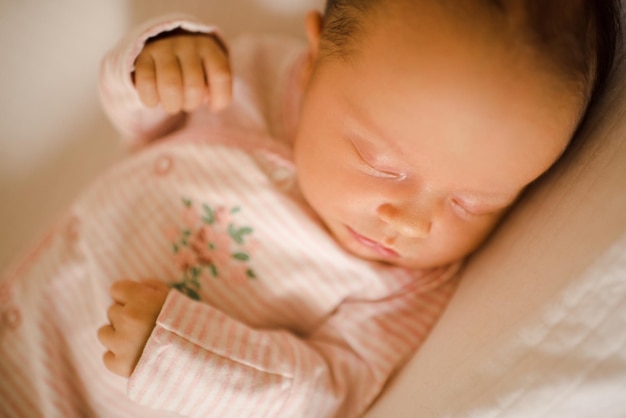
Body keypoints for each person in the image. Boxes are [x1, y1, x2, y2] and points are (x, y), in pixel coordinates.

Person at [0, 0, 621, 417]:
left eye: (474, 202)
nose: (410, 221)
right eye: (382, 165)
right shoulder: (252, 78)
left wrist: (179, 352)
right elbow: (142, 127)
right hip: (28, 329)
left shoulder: (404, 287)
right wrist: (153, 64)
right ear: (317, 56)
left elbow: (326, 391)